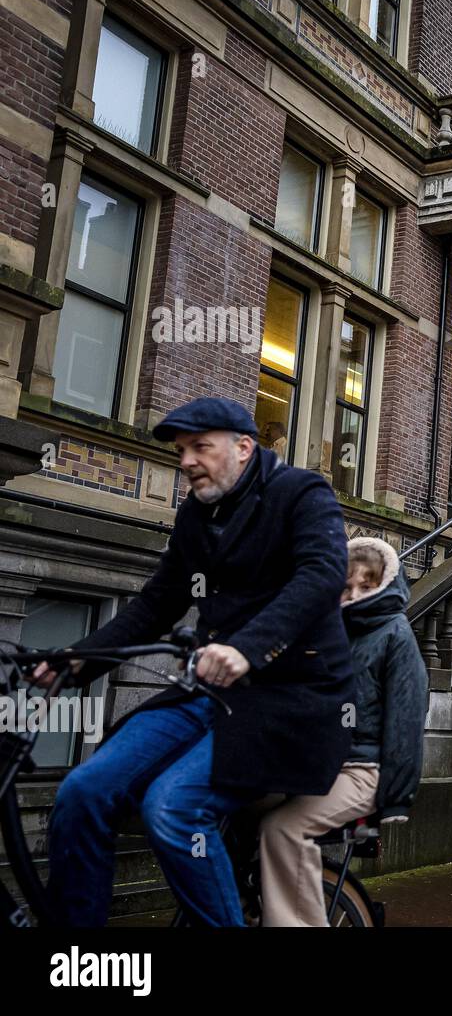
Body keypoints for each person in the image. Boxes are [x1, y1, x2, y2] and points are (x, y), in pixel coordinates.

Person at [30, 397, 354, 927]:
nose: (185, 460)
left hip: (287, 703)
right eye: (181, 450)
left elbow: (320, 576)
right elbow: (158, 603)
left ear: (244, 447)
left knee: (172, 809)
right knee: (84, 790)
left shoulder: (300, 493)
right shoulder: (196, 515)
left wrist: (246, 649)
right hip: (206, 691)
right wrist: (76, 660)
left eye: (199, 447)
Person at [259, 537, 426, 926]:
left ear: (384, 585)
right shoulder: (328, 634)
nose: (353, 596)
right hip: (318, 765)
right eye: (346, 587)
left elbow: (407, 718)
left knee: (283, 828)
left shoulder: (396, 637)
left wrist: (397, 797)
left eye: (365, 587)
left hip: (363, 771)